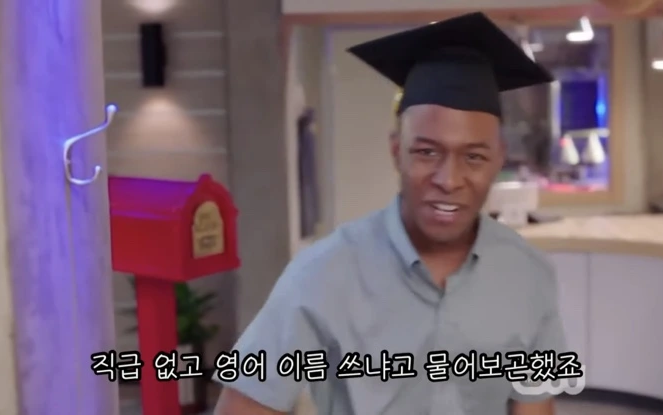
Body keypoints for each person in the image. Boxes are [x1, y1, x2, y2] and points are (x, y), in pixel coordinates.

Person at [214, 12, 568, 415]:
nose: (449, 180)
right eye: (427, 152)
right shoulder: (323, 275)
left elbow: (534, 406)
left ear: (499, 159)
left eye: (474, 156)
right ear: (396, 151)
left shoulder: (529, 275)